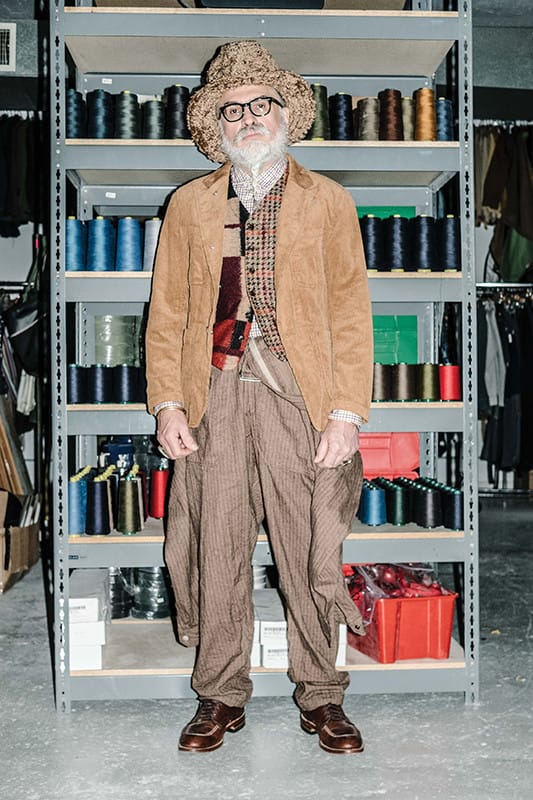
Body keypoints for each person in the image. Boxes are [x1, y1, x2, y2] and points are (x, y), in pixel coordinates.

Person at [145, 39, 373, 755]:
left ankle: (322, 694)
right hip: (212, 393)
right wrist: (167, 404)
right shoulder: (189, 205)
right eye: (232, 109)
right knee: (216, 546)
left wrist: (344, 414)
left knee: (308, 546)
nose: (248, 118)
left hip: (296, 397)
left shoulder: (328, 201)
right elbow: (166, 314)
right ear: (216, 123)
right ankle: (219, 693)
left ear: (285, 114)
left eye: (260, 105)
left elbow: (350, 314)